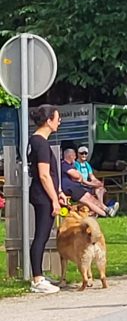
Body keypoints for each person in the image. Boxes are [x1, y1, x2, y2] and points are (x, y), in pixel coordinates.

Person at [27, 105, 63, 294]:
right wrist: (54, 200)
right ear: (48, 120)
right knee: (41, 235)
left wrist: (59, 192)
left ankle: (39, 274)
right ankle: (37, 279)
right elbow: (44, 175)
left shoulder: (35, 140)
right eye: (57, 118)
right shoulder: (40, 143)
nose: (59, 121)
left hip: (42, 193)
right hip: (42, 195)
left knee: (42, 234)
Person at [60, 148, 118, 217]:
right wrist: (83, 179)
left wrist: (95, 182)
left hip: (76, 187)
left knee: (91, 198)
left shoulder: (74, 165)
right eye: (74, 155)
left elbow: (80, 177)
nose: (75, 157)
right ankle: (106, 212)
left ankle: (106, 212)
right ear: (70, 156)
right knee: (88, 200)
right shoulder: (65, 165)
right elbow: (77, 176)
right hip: (71, 188)